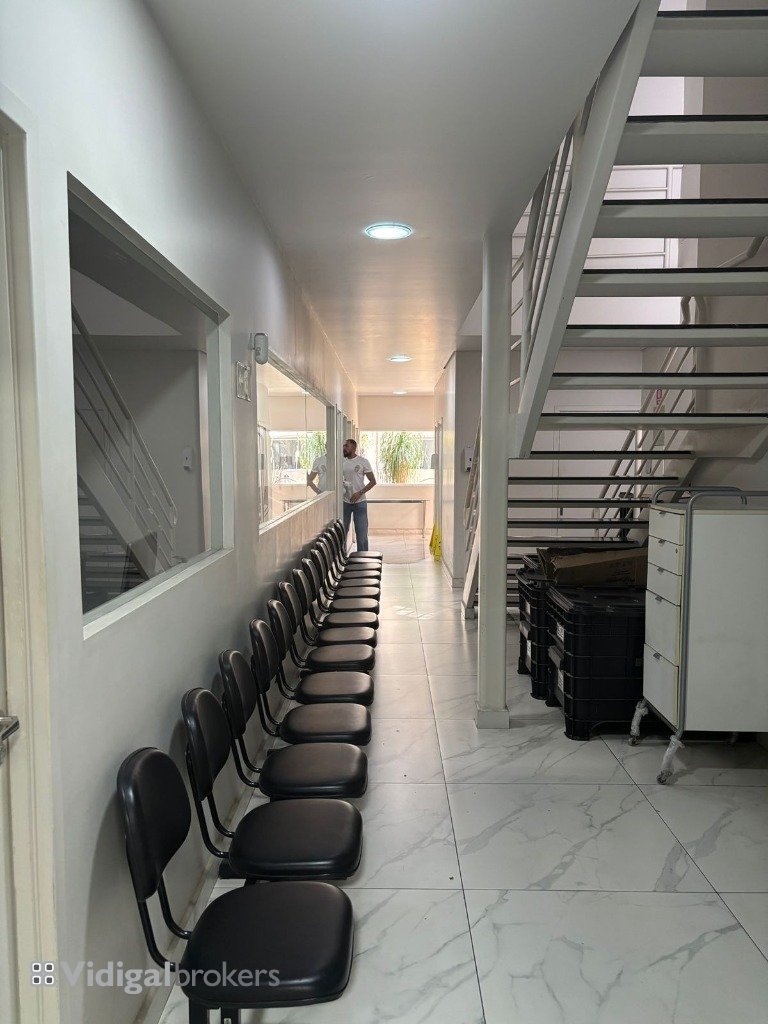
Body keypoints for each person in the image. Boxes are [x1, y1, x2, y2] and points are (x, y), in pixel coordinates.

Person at [342, 438, 376, 552]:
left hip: (360, 503)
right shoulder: (341, 463)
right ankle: (342, 558)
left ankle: (363, 557)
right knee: (342, 533)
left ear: (353, 448)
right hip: (345, 502)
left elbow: (373, 481)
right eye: (344, 446)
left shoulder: (363, 461)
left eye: (346, 446)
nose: (344, 448)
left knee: (361, 535)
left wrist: (360, 493)